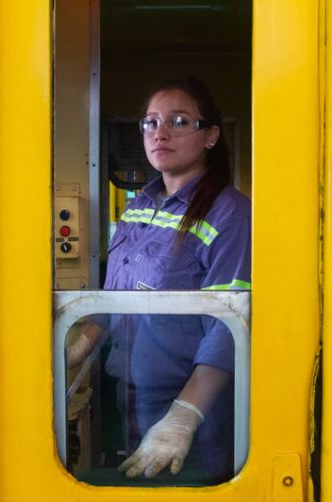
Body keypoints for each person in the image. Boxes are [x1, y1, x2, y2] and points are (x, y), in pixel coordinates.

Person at [67, 78, 251, 483]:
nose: (159, 133)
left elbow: (229, 323)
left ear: (210, 136)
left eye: (179, 121)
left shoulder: (231, 214)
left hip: (193, 396)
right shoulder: (139, 208)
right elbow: (115, 295)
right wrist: (78, 348)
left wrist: (184, 417)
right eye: (150, 123)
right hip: (127, 388)